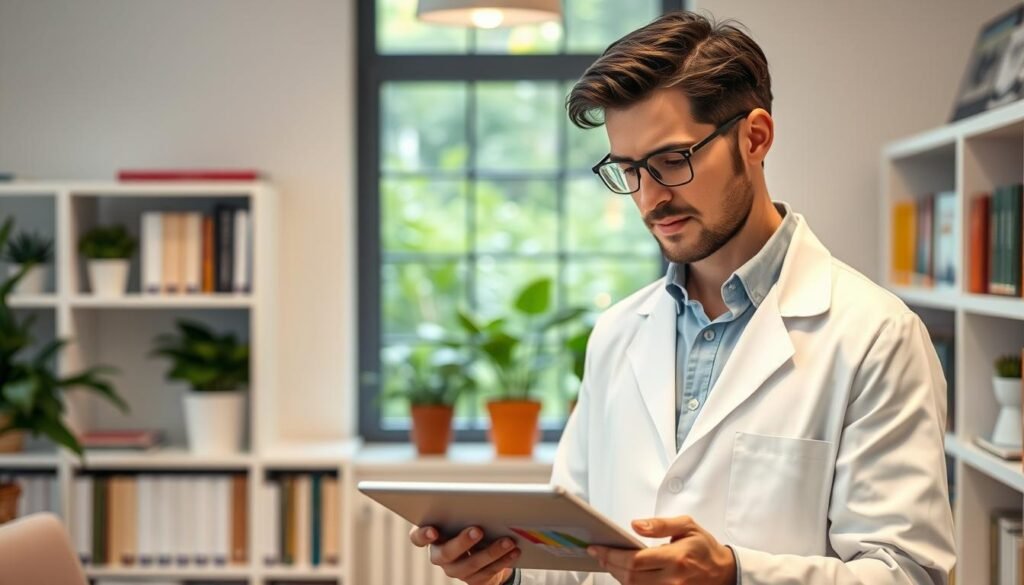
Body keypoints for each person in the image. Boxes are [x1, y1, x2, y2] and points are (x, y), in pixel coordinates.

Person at [409, 10, 956, 585]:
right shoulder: (618, 333)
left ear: (755, 137)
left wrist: (735, 575)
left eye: (673, 161)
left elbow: (909, 572)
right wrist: (507, 573)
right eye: (629, 171)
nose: (650, 198)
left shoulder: (876, 336)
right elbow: (582, 558)